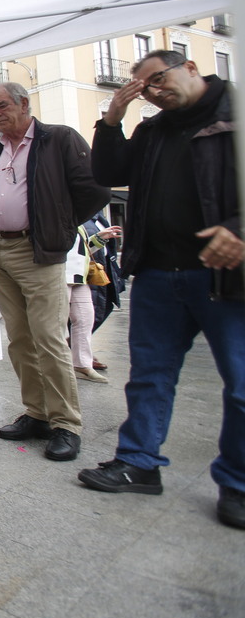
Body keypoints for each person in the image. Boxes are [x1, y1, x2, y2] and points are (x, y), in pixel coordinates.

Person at [77, 50, 244, 530]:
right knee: (149, 374)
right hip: (156, 274)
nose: (152, 90)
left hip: (226, 276)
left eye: (158, 78)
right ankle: (139, 462)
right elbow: (109, 175)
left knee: (241, 386)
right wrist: (112, 120)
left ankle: (238, 482)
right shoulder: (153, 129)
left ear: (191, 67)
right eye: (144, 86)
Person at [0, 82, 110, 461]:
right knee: (19, 337)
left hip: (37, 250)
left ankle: (66, 423)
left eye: (1, 107)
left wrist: (57, 227)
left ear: (24, 104)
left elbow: (95, 190)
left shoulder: (58, 139)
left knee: (48, 337)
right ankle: (37, 413)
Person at [66, 218, 121, 383]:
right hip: (60, 274)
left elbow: (82, 250)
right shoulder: (59, 218)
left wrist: (100, 238)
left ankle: (82, 365)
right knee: (57, 325)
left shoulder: (79, 222)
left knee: (85, 320)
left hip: (78, 276)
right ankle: (58, 367)